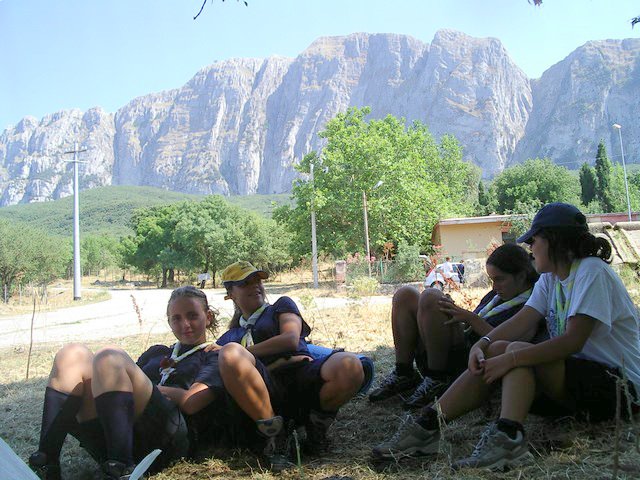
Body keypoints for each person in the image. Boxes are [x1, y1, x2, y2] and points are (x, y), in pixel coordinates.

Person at [372, 203, 640, 470]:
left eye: (534, 241)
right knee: (501, 347)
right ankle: (431, 425)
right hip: (573, 380)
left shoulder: (591, 271)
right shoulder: (551, 279)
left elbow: (572, 341)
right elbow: (523, 320)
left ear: (554, 241)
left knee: (514, 352)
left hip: (618, 387)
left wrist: (511, 358)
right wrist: (483, 343)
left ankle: (499, 438)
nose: (530, 249)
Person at [29, 286, 224, 480]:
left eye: (192, 316)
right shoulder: (157, 352)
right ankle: (47, 462)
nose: (185, 324)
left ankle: (121, 468)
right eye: (176, 318)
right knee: (72, 354)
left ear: (208, 317)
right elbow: (118, 386)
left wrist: (157, 389)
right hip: (117, 433)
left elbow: (192, 402)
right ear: (169, 322)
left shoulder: (214, 355)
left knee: (109, 356)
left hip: (168, 439)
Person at [215, 261, 365, 460]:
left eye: (257, 280)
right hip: (266, 391)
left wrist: (246, 352)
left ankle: (316, 428)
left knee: (350, 364)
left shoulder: (280, 306)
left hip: (302, 374)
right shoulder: (229, 337)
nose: (255, 286)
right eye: (245, 283)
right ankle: (274, 434)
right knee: (229, 353)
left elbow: (290, 339)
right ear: (230, 294)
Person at [369, 243, 541, 409]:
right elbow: (475, 321)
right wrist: (455, 312)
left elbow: (512, 343)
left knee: (430, 297)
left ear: (521, 276)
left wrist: (470, 318)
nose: (494, 287)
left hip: (470, 362)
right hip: (456, 348)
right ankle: (404, 372)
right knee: (405, 295)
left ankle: (437, 378)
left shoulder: (533, 305)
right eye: (492, 280)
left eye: (499, 279)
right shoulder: (497, 295)